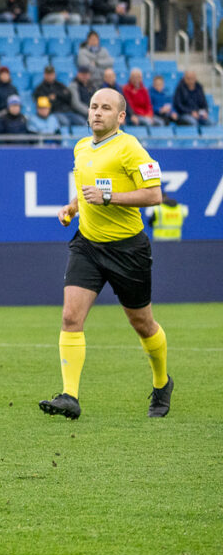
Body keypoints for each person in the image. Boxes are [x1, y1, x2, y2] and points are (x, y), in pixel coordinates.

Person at [39, 89, 171, 421]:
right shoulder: (81, 147)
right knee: (70, 317)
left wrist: (108, 197)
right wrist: (73, 206)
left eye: (106, 108)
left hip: (128, 250)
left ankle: (161, 383)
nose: (97, 112)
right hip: (88, 245)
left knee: (143, 324)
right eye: (94, 106)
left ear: (121, 116)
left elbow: (155, 195)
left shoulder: (130, 148)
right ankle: (70, 396)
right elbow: (87, 188)